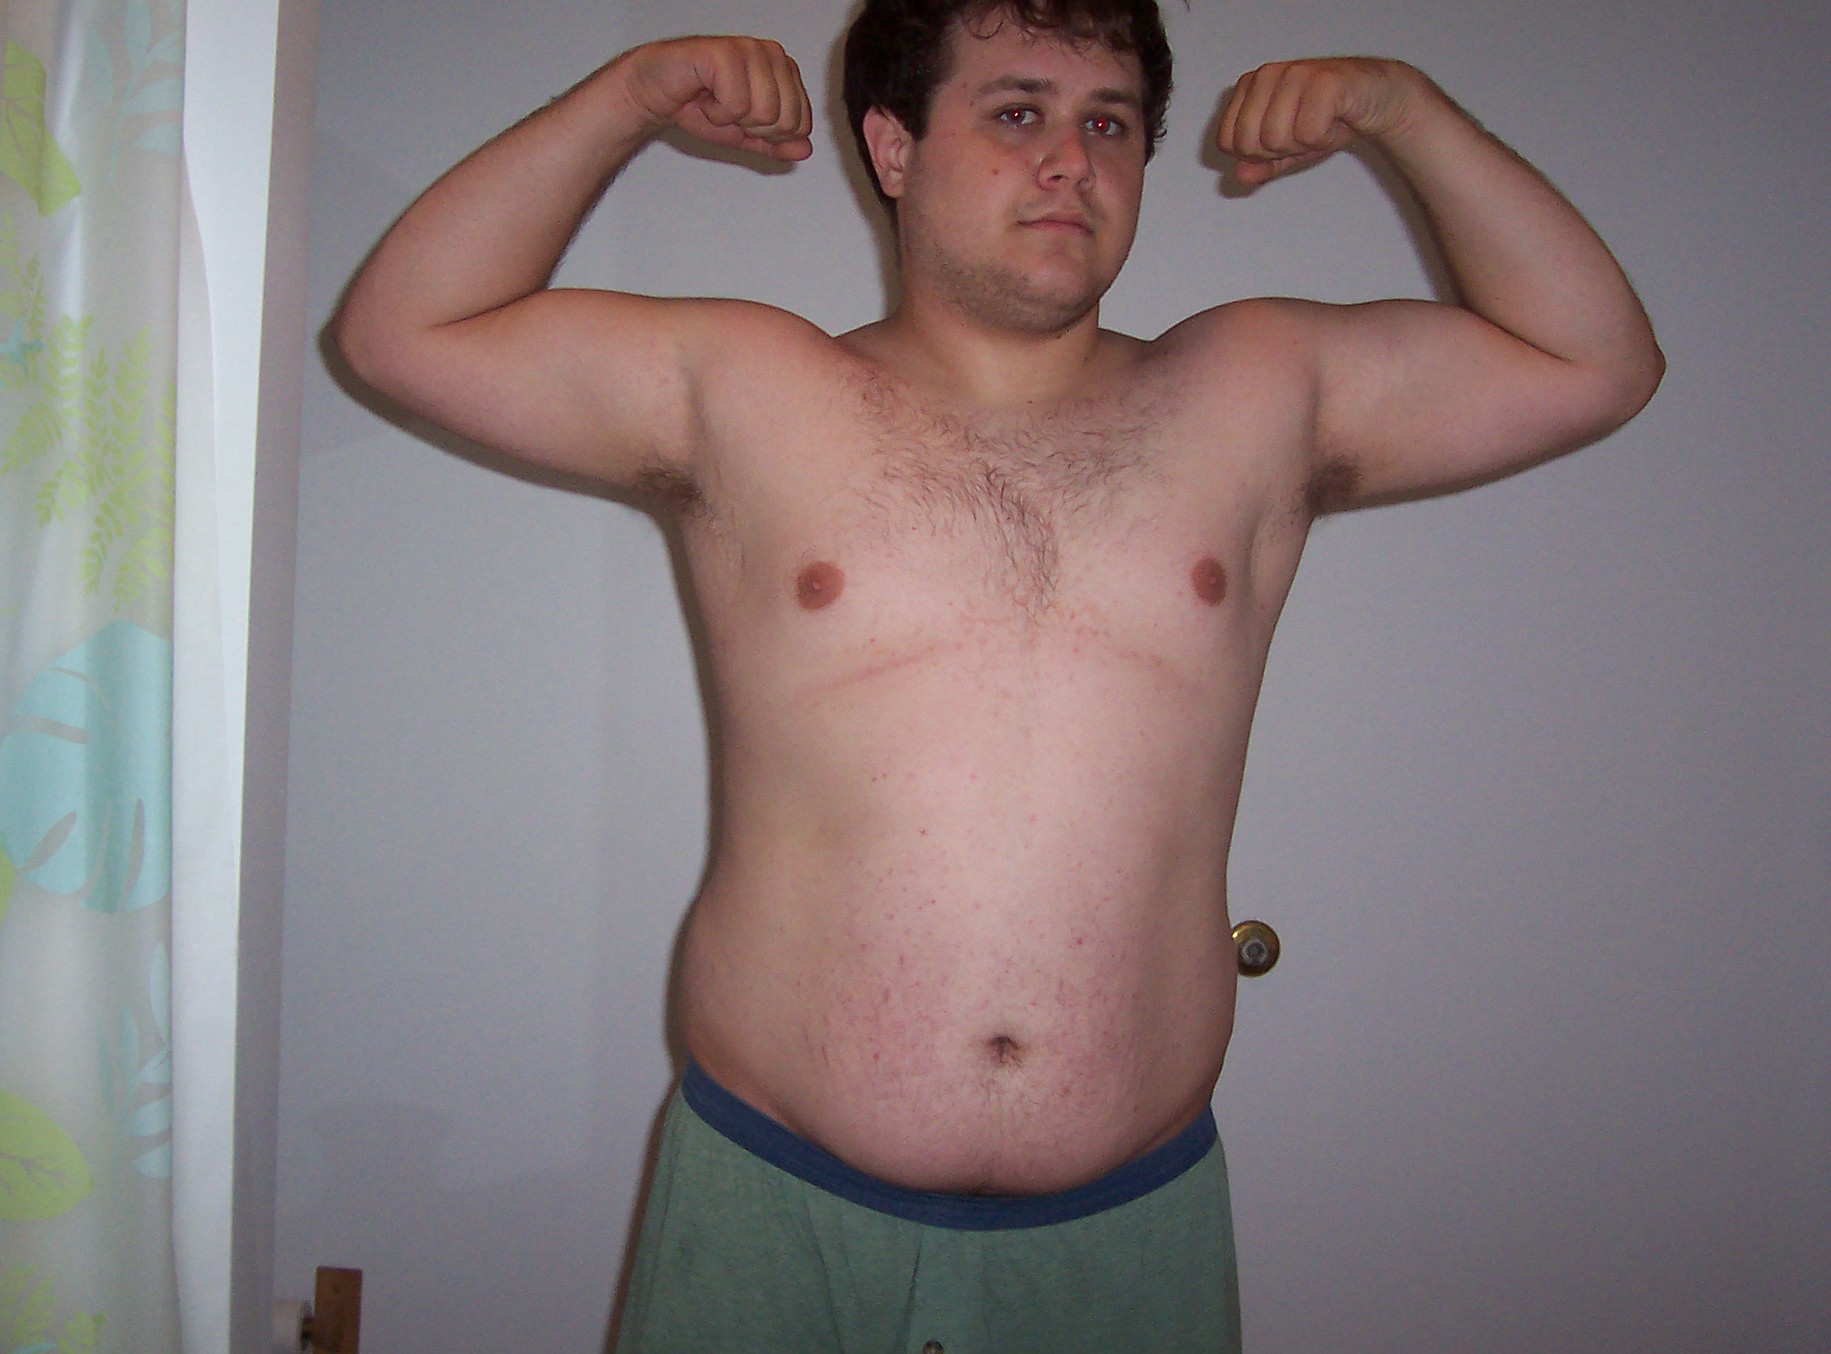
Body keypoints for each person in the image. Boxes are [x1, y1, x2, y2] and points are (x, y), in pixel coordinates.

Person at [334, 0, 1662, 1347]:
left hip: (1126, 1239)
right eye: (1018, 112)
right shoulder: (752, 387)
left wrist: (1403, 111)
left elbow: (1597, 362)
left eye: (1111, 124)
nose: (1072, 160)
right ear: (893, 147)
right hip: (774, 1210)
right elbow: (401, 330)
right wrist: (627, 97)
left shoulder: (1254, 388)